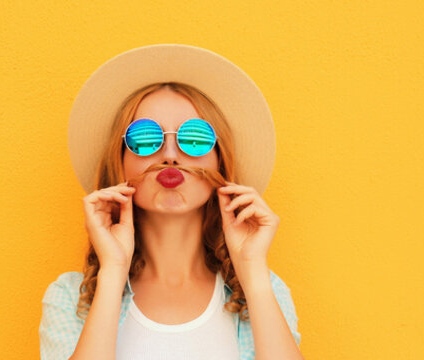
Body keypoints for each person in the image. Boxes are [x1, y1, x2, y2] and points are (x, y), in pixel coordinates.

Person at [41, 44, 302, 360]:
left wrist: (252, 269)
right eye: (145, 138)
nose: (169, 155)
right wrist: (112, 271)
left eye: (194, 138)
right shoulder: (69, 298)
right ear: (119, 162)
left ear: (220, 160)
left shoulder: (265, 291)